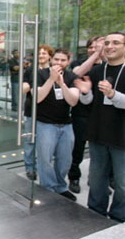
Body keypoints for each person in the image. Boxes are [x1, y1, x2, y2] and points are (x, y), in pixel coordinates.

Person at [77, 31, 125, 223]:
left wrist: (113, 95)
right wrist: (85, 93)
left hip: (122, 136)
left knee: (122, 183)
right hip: (98, 133)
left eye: (116, 43)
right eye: (107, 43)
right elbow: (88, 101)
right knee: (97, 180)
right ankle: (95, 214)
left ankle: (118, 216)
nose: (110, 46)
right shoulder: (97, 71)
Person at [29, 48, 79, 201]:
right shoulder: (39, 74)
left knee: (65, 160)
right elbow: (37, 98)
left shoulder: (72, 77)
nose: (59, 63)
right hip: (45, 124)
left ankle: (60, 187)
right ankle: (48, 188)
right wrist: (51, 80)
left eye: (63, 60)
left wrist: (62, 84)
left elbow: (73, 101)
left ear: (68, 62)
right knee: (45, 159)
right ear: (51, 60)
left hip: (66, 125)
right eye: (56, 59)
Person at [68, 36, 105, 193]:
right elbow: (76, 74)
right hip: (81, 114)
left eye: (97, 46)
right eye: (91, 46)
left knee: (102, 149)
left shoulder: (109, 65)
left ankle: (100, 179)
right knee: (78, 147)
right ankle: (74, 176)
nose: (93, 49)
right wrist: (95, 56)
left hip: (103, 115)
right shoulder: (80, 63)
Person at [22, 44, 52, 180]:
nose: (41, 55)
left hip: (48, 112)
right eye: (39, 53)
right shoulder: (30, 70)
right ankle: (30, 168)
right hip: (31, 110)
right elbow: (23, 88)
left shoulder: (54, 71)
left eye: (44, 53)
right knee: (30, 140)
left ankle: (43, 168)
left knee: (45, 143)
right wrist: (28, 86)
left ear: (50, 56)